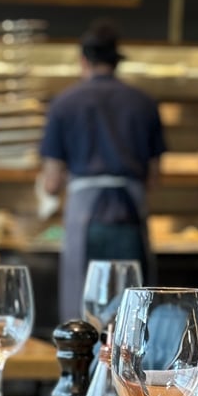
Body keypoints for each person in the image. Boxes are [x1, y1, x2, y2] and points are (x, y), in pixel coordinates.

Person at [39, 19, 166, 323]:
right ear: (116, 62)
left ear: (83, 61)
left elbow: (52, 181)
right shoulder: (144, 103)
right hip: (130, 216)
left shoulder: (64, 103)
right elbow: (155, 177)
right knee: (133, 313)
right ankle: (126, 370)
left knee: (86, 315)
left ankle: (87, 369)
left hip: (86, 219)